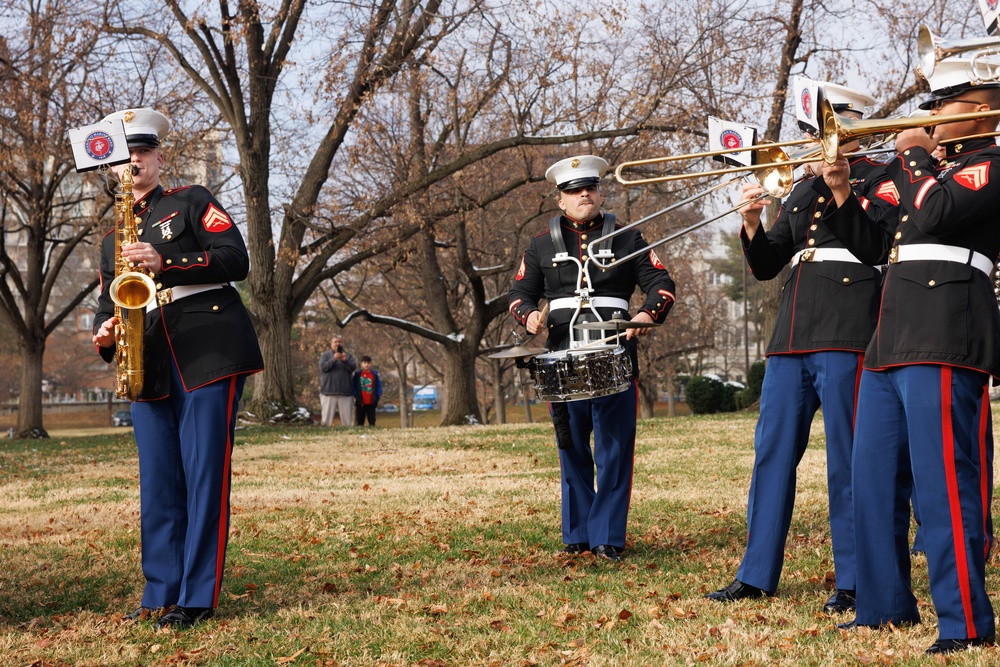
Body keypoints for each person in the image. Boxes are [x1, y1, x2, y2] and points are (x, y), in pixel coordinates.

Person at [820, 55, 1000, 654]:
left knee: (944, 486)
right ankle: (882, 605)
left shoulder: (990, 164)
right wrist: (844, 189)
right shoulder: (926, 170)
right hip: (891, 336)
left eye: (939, 108)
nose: (927, 119)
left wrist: (917, 156)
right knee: (870, 480)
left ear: (976, 112)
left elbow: (938, 211)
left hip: (947, 330)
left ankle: (965, 623)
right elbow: (874, 243)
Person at [705, 83, 898, 614]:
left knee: (848, 460)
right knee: (771, 456)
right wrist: (750, 223)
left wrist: (840, 191)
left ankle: (855, 579)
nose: (816, 144)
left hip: (847, 331)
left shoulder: (882, 179)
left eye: (826, 133)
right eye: (812, 134)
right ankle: (756, 574)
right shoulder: (797, 189)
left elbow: (876, 247)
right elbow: (769, 264)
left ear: (853, 131)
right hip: (792, 335)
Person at [91, 108, 263, 629]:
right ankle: (159, 594)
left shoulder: (191, 201)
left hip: (207, 351)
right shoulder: (108, 243)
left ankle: (196, 599)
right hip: (147, 364)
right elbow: (107, 305)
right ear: (114, 171)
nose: (134, 162)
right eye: (125, 157)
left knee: (204, 476)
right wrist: (104, 334)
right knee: (159, 484)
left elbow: (236, 259)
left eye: (142, 153)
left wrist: (170, 262)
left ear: (159, 159)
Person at [508, 155, 676, 561]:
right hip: (561, 358)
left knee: (614, 451)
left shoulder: (629, 238)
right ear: (560, 199)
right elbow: (518, 295)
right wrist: (528, 315)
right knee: (572, 449)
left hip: (614, 354)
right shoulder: (539, 245)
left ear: (600, 192)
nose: (584, 194)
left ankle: (606, 538)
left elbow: (662, 285)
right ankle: (579, 532)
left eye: (591, 187)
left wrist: (645, 314)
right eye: (573, 190)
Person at [319, 335, 356, 426]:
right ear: (331, 344)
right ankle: (324, 436)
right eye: (335, 342)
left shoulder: (348, 356)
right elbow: (323, 368)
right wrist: (334, 359)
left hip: (345, 393)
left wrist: (345, 361)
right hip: (328, 392)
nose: (337, 343)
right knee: (326, 422)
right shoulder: (325, 355)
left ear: (342, 344)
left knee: (347, 422)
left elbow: (352, 368)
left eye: (339, 342)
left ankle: (348, 436)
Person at [352, 355, 382, 426]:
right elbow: (353, 386)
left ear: (371, 364)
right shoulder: (357, 375)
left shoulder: (374, 375)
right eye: (365, 363)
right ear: (361, 364)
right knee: (360, 421)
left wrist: (376, 397)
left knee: (372, 421)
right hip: (360, 402)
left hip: (371, 402)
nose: (366, 365)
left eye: (368, 363)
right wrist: (356, 396)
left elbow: (379, 387)